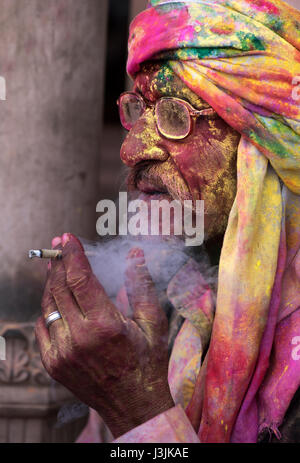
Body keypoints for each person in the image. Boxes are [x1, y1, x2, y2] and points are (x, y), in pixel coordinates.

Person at [35, 0, 300, 443]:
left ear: (264, 141)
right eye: (137, 110)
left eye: (175, 116)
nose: (130, 150)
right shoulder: (160, 291)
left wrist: (137, 406)